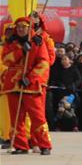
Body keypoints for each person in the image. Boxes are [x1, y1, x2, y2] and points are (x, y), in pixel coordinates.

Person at [1, 17, 52, 154]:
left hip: (31, 85)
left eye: (23, 27)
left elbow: (43, 63)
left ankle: (44, 145)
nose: (20, 29)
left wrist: (30, 78)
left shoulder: (38, 42)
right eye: (18, 27)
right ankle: (20, 145)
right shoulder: (11, 42)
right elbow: (6, 60)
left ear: (30, 28)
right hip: (13, 84)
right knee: (16, 117)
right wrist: (21, 51)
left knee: (37, 116)